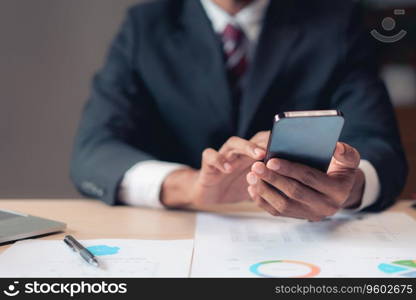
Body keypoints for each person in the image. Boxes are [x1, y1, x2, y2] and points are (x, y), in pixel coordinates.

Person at [70, 0, 408, 221]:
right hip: (179, 232)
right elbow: (94, 151)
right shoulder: (146, 24)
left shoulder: (337, 20)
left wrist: (348, 188)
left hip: (308, 236)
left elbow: (382, 150)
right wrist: (189, 186)